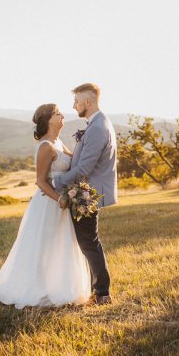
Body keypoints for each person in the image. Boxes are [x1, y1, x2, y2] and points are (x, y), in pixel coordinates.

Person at [0, 104, 92, 308]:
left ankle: (60, 285)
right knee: (43, 245)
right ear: (47, 120)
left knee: (60, 244)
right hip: (49, 203)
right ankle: (37, 287)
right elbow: (41, 181)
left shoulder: (59, 142)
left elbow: (76, 163)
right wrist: (61, 199)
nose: (62, 115)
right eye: (57, 113)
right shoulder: (46, 146)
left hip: (63, 201)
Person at [54, 83, 117, 306]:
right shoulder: (97, 124)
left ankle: (102, 292)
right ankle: (96, 288)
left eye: (77, 101)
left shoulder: (99, 128)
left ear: (87, 102)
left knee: (89, 242)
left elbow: (84, 169)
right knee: (87, 242)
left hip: (87, 194)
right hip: (85, 192)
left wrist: (56, 180)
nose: (74, 105)